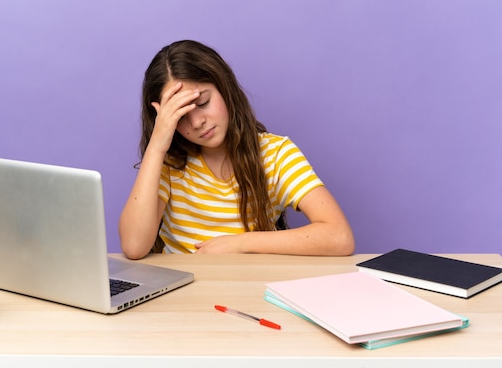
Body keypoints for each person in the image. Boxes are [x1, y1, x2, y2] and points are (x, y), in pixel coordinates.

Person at [119, 40, 354, 259]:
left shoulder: (276, 154)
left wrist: (240, 243)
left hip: (249, 289)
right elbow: (133, 246)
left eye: (202, 103)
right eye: (180, 117)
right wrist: (157, 146)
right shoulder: (168, 163)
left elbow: (339, 237)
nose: (197, 122)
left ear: (225, 89)